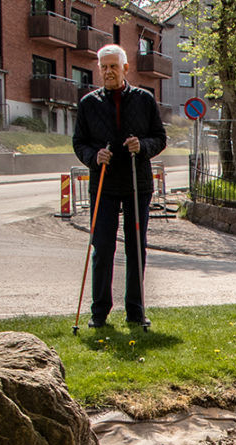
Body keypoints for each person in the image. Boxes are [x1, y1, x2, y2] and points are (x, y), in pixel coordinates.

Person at [73, 43, 167, 329]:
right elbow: (79, 142)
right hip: (104, 182)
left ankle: (135, 311)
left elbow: (159, 137)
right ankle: (99, 312)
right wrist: (93, 156)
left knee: (135, 248)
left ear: (125, 68)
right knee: (102, 247)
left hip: (137, 182)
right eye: (103, 67)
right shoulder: (89, 103)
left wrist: (143, 145)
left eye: (114, 66)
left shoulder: (144, 99)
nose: (108, 72)